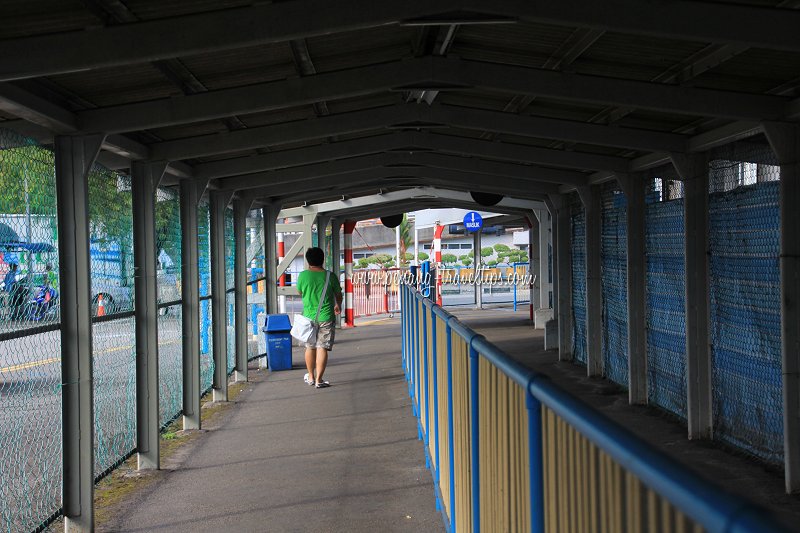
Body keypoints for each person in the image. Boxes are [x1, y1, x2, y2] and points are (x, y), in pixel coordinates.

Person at [296, 247, 342, 389]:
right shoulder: (330, 276)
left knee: (310, 347)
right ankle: (319, 380)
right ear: (323, 259)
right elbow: (338, 294)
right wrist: (337, 305)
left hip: (308, 317)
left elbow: (299, 291)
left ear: (308, 260)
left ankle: (310, 376)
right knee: (322, 347)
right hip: (326, 316)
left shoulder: (303, 276)